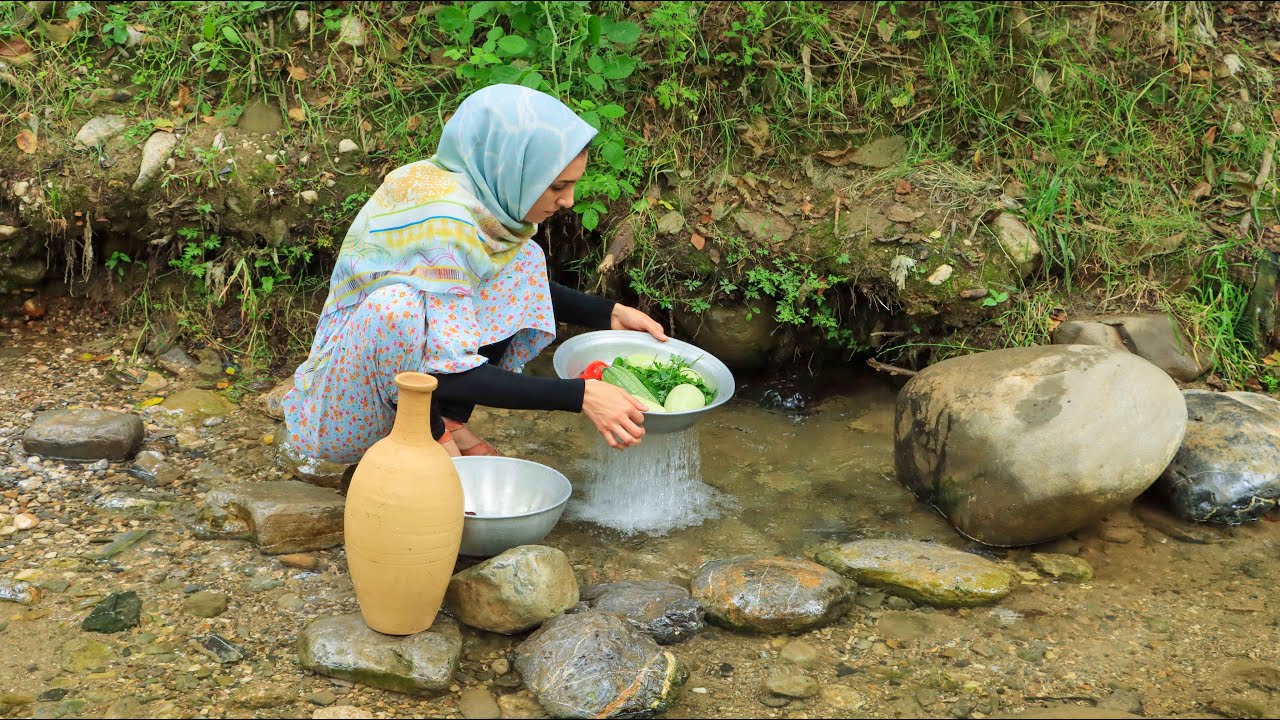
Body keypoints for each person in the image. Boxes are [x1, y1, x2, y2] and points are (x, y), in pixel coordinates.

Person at [281, 84, 667, 467]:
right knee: (396, 309)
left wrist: (609, 313)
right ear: (514, 170)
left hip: (397, 385)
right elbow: (451, 373)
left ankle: (444, 422)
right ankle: (428, 433)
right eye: (557, 186)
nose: (568, 200)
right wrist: (580, 395)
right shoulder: (446, 223)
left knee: (523, 259)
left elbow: (510, 283)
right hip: (344, 413)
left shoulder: (470, 198)